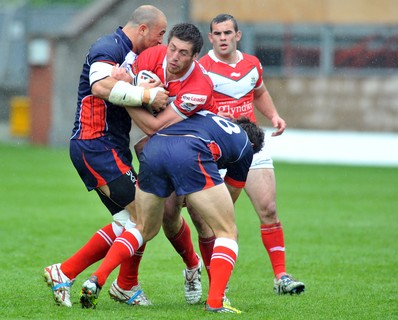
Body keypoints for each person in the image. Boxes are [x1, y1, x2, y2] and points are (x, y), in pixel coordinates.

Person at [43, 6, 201, 308]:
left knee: (131, 220)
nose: (160, 43)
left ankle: (69, 273)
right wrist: (143, 94)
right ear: (142, 29)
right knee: (145, 216)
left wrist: (139, 86)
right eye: (159, 35)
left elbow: (129, 87)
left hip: (110, 147)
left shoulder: (129, 56)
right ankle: (112, 282)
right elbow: (100, 86)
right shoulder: (108, 47)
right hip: (96, 145)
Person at [77, 22, 221, 310]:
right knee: (164, 215)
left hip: (194, 149)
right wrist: (131, 88)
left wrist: (127, 92)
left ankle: (218, 289)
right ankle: (190, 267)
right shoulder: (151, 55)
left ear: (195, 57)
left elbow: (154, 125)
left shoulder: (199, 86)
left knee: (201, 217)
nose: (174, 57)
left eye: (183, 53)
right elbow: (114, 82)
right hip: (160, 148)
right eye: (172, 48)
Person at [81, 110, 265, 314]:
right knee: (227, 230)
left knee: (142, 227)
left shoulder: (207, 117)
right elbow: (229, 199)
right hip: (190, 154)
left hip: (154, 149)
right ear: (254, 146)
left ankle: (97, 278)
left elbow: (141, 145)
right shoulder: (245, 147)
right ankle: (216, 302)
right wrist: (194, 191)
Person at [192, 14, 305, 296]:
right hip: (215, 151)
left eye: (227, 33)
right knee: (208, 221)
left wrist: (274, 115)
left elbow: (260, 92)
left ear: (238, 36)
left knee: (268, 209)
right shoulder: (201, 68)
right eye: (217, 33)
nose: (223, 38)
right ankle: (217, 284)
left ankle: (281, 277)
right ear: (210, 38)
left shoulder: (252, 64)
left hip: (251, 147)